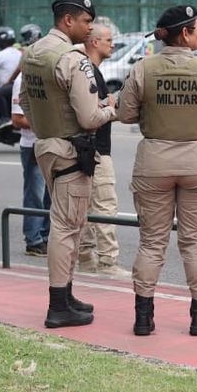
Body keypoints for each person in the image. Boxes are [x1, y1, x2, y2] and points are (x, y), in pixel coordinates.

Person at [116, 5, 197, 337]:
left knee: (151, 242)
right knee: (196, 241)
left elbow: (125, 114)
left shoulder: (143, 68)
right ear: (184, 33)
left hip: (154, 160)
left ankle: (144, 318)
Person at [20, 0, 115, 329]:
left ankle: (67, 295)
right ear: (68, 21)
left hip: (47, 147)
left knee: (67, 224)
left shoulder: (33, 52)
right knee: (66, 228)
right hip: (71, 151)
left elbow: (23, 100)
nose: (90, 29)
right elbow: (89, 117)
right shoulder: (73, 59)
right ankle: (59, 304)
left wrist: (46, 129)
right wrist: (112, 107)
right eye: (87, 22)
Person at [77, 25, 127, 279]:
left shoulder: (84, 68)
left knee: (85, 208)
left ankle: (86, 259)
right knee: (104, 206)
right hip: (97, 149)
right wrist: (113, 108)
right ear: (94, 42)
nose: (113, 44)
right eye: (109, 40)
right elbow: (92, 113)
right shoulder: (90, 72)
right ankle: (107, 262)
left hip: (86, 148)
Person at [11, 72, 50, 256]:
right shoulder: (24, 78)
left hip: (52, 144)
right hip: (33, 145)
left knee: (50, 195)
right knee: (35, 194)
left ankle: (46, 236)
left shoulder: (51, 72)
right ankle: (33, 240)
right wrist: (49, 124)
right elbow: (17, 120)